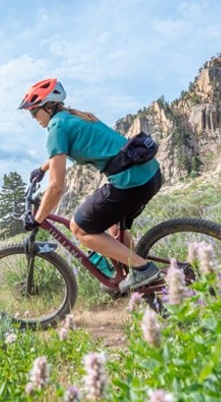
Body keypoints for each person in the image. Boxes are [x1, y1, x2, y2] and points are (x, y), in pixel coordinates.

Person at [18, 78, 163, 292]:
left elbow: (56, 187)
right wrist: (42, 169)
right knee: (114, 231)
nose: (33, 118)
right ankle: (136, 277)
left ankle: (142, 269)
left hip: (130, 182)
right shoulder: (75, 118)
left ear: (48, 106)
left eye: (33, 112)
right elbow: (61, 152)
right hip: (149, 174)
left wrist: (37, 219)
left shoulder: (56, 128)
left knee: (81, 228)